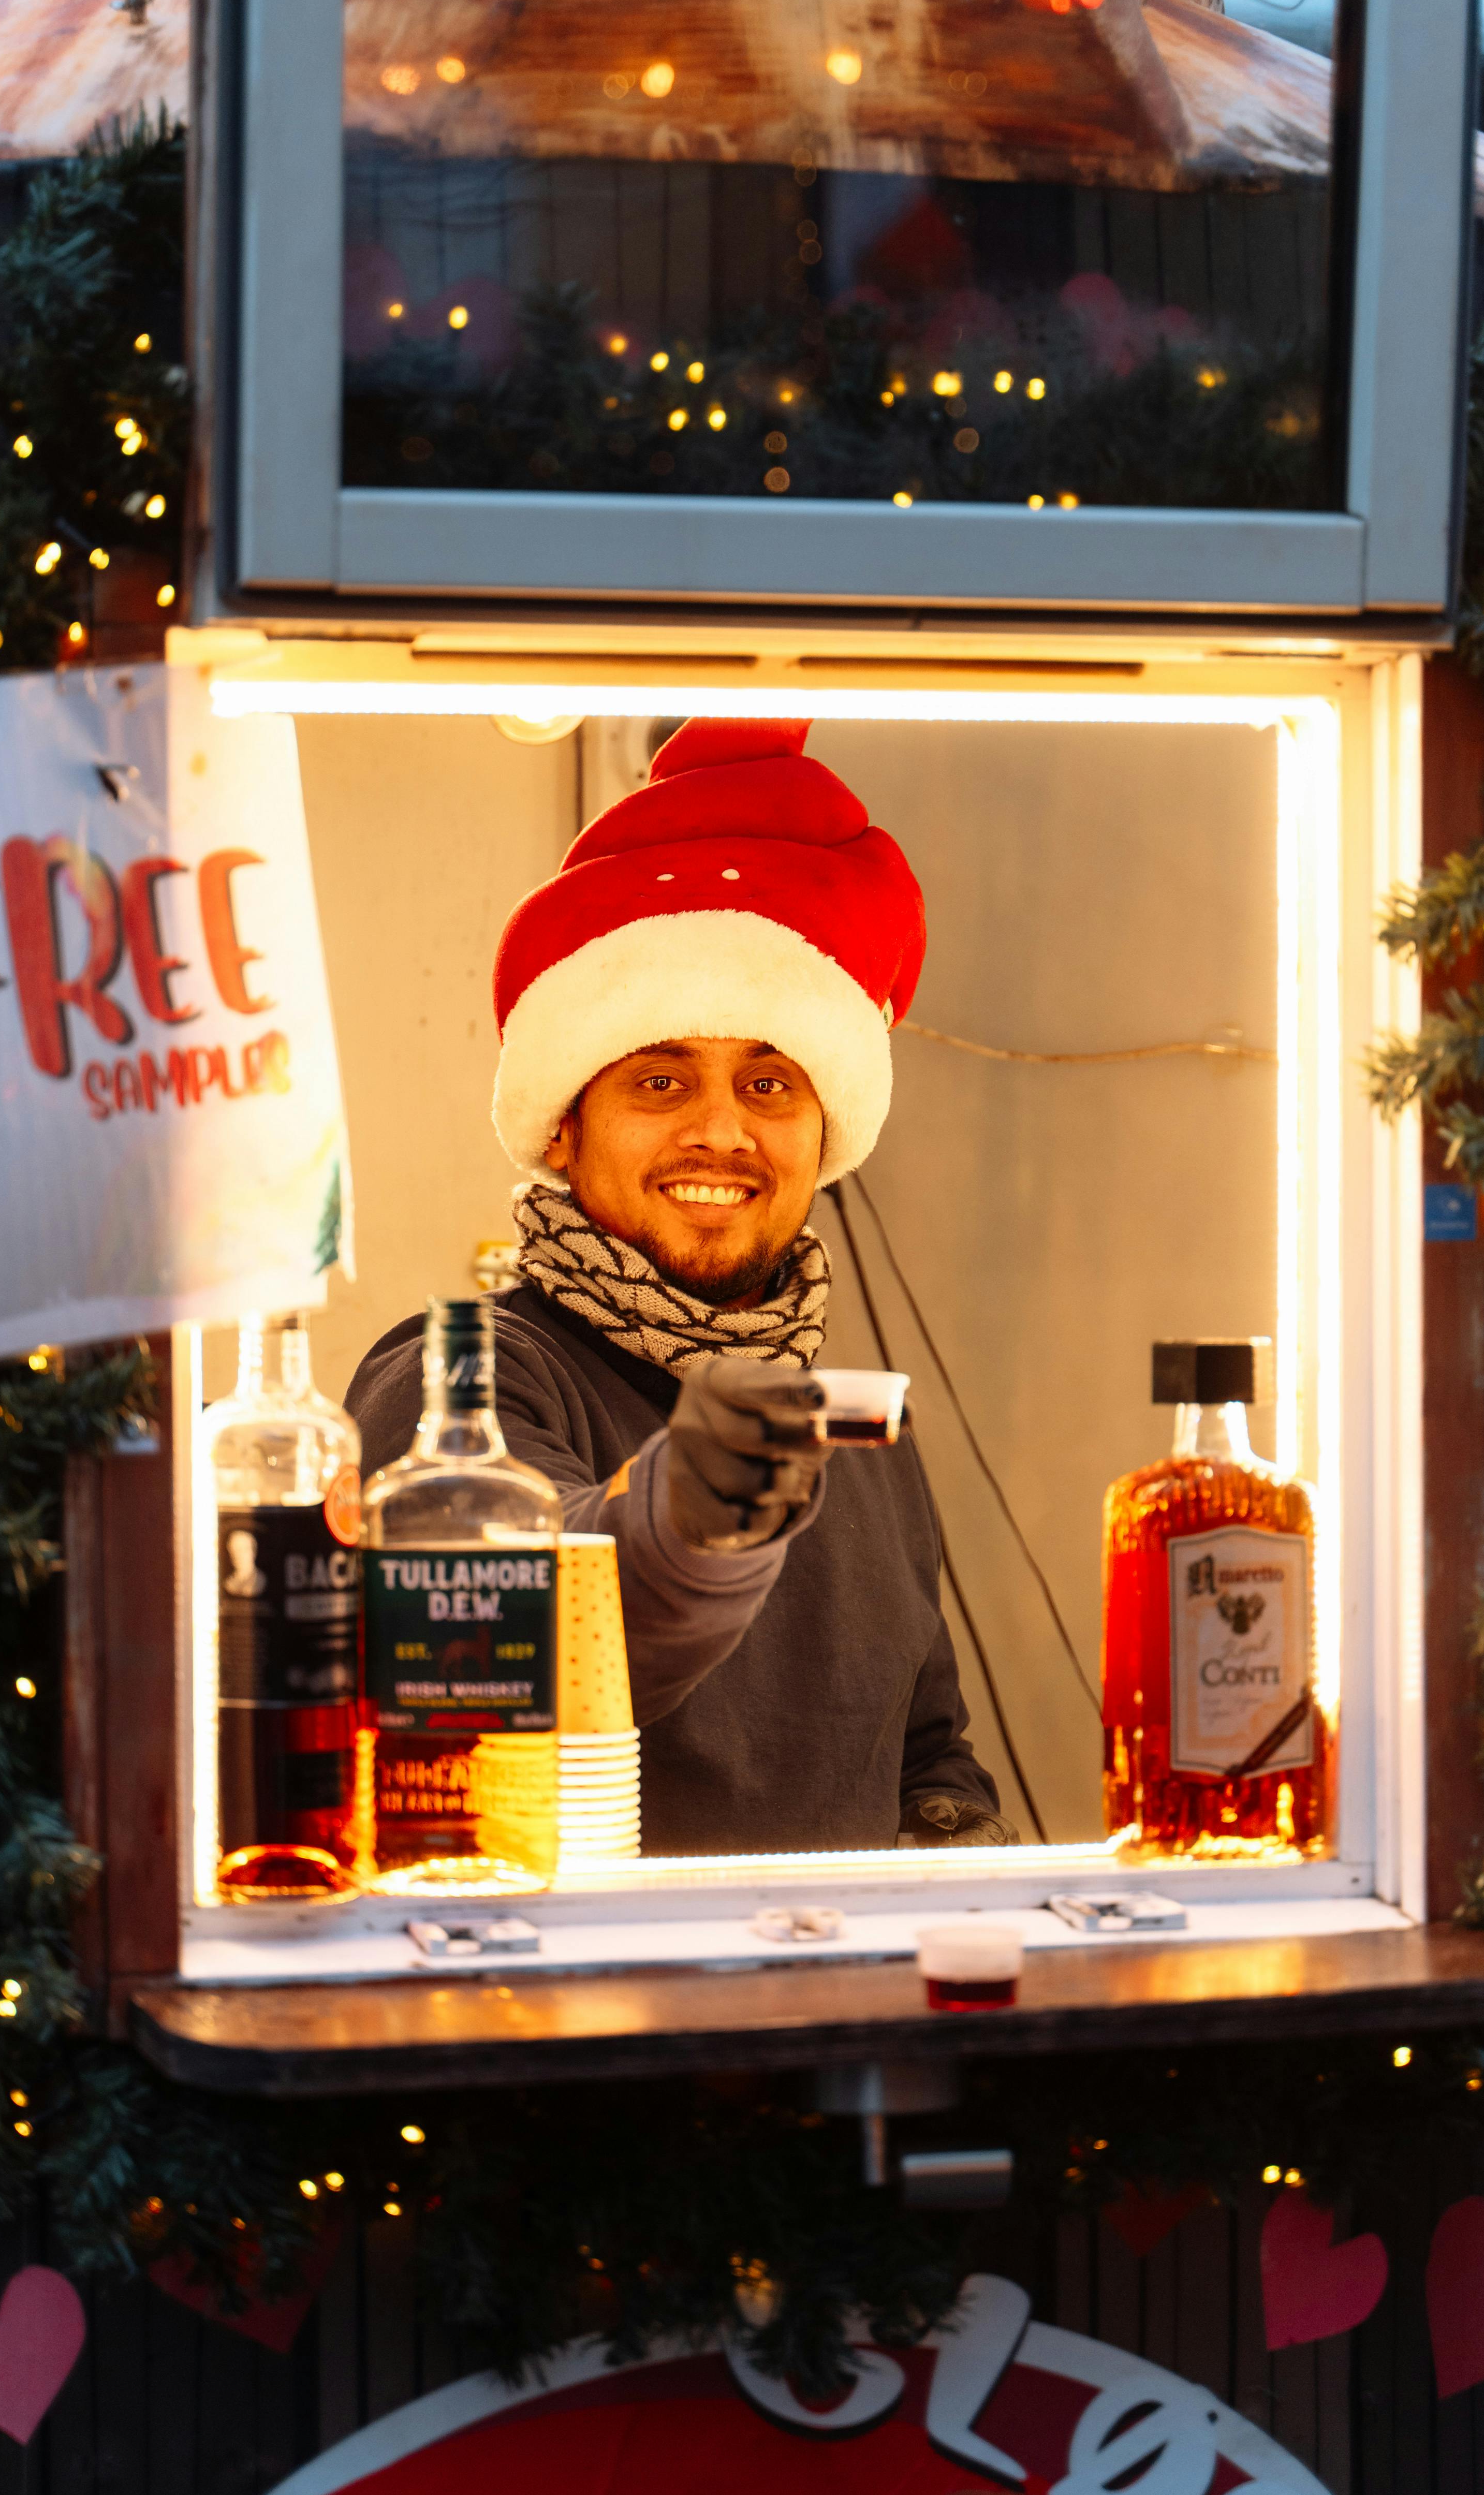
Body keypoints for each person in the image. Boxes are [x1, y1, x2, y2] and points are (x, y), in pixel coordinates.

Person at [348, 716, 1006, 1857]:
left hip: (840, 2014)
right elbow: (540, 1644)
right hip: (575, 2020)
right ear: (563, 1129)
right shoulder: (458, 1384)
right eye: (660, 1079)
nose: (721, 1131)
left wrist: (955, 1845)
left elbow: (923, 1747)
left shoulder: (862, 1436)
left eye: (770, 1083)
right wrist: (692, 1516)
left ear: (825, 1132)